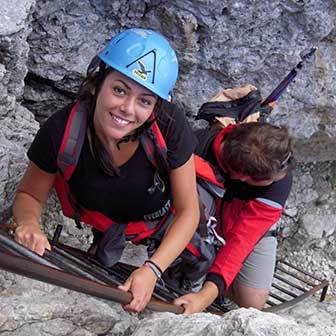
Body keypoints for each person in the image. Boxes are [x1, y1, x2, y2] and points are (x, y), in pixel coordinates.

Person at [12, 28, 219, 313]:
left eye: (144, 100)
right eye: (119, 90)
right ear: (98, 84)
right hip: (109, 223)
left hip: (163, 219)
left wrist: (152, 270)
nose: (127, 109)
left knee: (187, 274)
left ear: (156, 106)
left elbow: (188, 212)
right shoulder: (62, 131)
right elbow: (29, 195)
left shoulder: (169, 126)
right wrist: (29, 224)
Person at [174, 85, 294, 313]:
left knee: (253, 303)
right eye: (269, 180)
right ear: (241, 176)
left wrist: (205, 296)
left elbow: (240, 242)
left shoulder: (277, 180)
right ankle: (196, 264)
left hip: (245, 224)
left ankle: (219, 280)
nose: (281, 180)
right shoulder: (195, 148)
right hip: (204, 217)